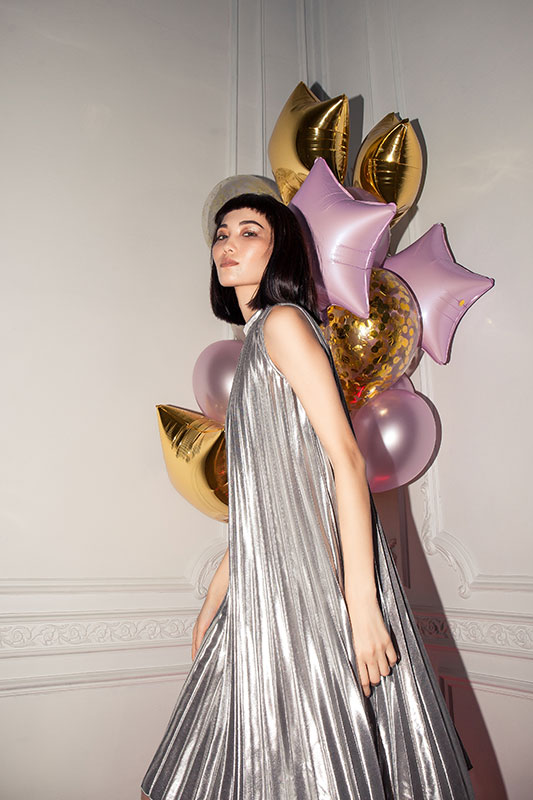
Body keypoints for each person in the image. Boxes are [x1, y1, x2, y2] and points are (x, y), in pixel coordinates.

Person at [141, 193, 474, 800]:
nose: (227, 244)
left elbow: (347, 460)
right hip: (263, 591)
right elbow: (261, 503)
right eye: (221, 233)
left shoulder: (283, 324)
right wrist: (213, 600)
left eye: (249, 232)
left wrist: (362, 606)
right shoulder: (257, 344)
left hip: (309, 590)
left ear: (281, 250)